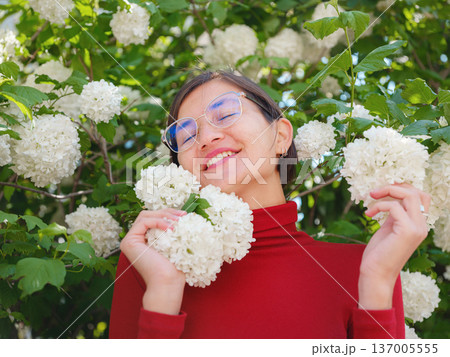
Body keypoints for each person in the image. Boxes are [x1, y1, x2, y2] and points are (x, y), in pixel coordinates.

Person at [109, 71, 430, 338]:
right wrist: (163, 294)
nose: (206, 138)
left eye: (225, 113)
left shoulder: (363, 269)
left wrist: (377, 281)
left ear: (280, 136)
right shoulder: (149, 263)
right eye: (185, 134)